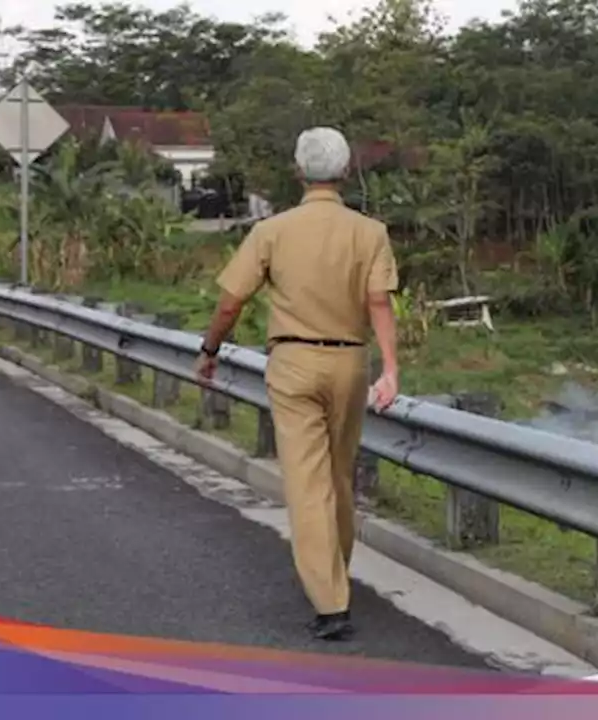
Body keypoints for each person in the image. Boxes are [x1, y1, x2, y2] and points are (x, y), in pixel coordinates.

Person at [193, 126, 400, 641]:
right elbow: (379, 302)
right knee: (338, 476)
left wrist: (210, 350)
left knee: (307, 484)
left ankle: (331, 605)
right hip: (350, 363)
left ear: (297, 172)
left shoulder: (272, 231)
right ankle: (337, 574)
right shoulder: (370, 232)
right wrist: (391, 369)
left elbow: (230, 301)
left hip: (292, 362)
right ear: (347, 171)